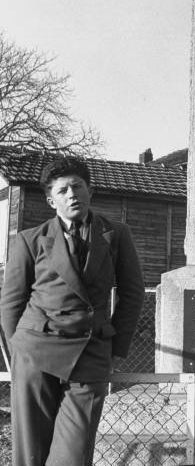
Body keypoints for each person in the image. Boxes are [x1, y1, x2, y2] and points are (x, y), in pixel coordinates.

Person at [0, 156, 145, 466]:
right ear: (51, 200)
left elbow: (132, 294)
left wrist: (114, 349)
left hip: (90, 354)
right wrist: (20, 353)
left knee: (73, 456)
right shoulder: (29, 240)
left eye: (78, 187)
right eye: (63, 190)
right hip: (35, 354)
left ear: (89, 191)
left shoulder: (116, 234)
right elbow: (11, 303)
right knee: (31, 454)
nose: (72, 195)